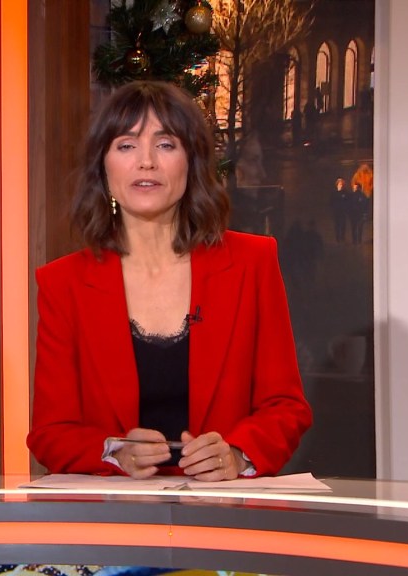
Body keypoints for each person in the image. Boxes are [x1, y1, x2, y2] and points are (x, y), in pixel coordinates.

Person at [27, 81, 312, 480]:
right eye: (126, 145)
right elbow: (50, 432)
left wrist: (236, 454)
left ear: (190, 161)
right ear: (103, 167)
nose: (146, 162)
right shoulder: (64, 283)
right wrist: (114, 453)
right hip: (114, 511)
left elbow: (285, 406)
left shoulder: (252, 263)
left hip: (220, 509)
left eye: (165, 144)